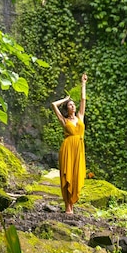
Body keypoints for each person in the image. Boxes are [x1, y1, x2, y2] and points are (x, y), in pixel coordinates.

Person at [51, 74, 87, 214]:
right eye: (70, 105)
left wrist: (83, 83)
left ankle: (73, 202)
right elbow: (54, 105)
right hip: (67, 149)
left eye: (73, 104)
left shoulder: (80, 117)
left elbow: (83, 99)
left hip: (78, 148)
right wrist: (65, 99)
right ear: (67, 108)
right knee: (67, 176)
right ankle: (67, 206)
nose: (73, 105)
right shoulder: (64, 121)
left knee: (76, 174)